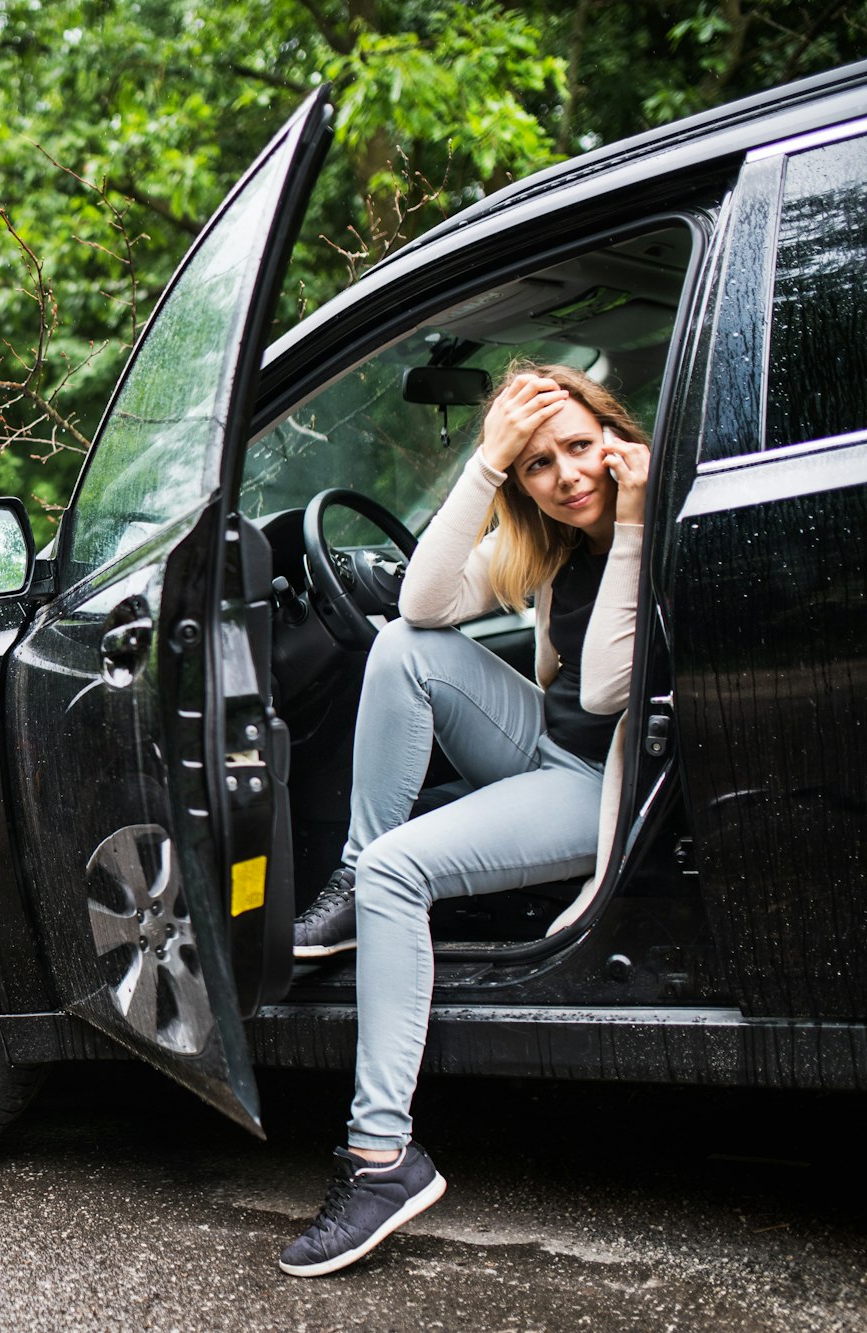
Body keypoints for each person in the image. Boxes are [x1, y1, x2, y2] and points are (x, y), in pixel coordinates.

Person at [277, 364, 651, 1278]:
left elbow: (606, 689)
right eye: (536, 465)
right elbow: (420, 605)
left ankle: (380, 1160)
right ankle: (352, 872)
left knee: (402, 872)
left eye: (576, 447)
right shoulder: (548, 543)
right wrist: (482, 464)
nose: (565, 475)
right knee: (406, 647)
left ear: (611, 433)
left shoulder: (664, 522)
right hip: (546, 747)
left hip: (606, 781)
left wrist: (634, 520)